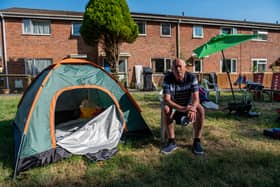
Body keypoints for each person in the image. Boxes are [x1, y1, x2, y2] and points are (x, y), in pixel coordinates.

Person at [161, 58, 205, 155]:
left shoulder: (192, 77)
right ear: (172, 69)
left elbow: (196, 98)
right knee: (166, 108)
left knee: (200, 109)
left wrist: (192, 108)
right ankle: (171, 141)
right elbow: (167, 99)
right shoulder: (168, 78)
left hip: (189, 105)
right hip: (175, 105)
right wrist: (182, 109)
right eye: (175, 67)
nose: (178, 69)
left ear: (185, 68)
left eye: (180, 66)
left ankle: (197, 141)